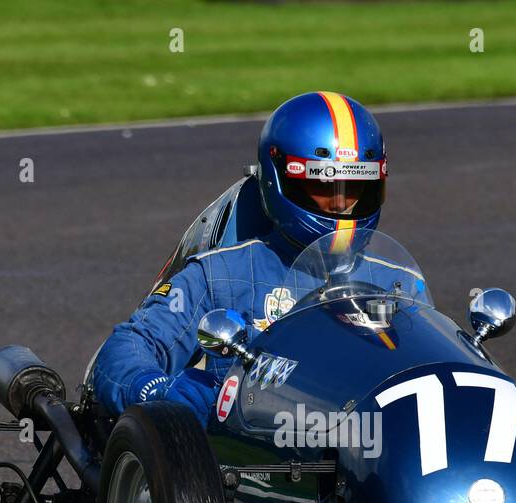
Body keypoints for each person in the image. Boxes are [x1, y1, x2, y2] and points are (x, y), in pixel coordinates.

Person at [88, 90, 398, 425]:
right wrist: (156, 390)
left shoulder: (399, 284)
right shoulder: (220, 275)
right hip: (250, 464)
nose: (341, 204)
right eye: (325, 185)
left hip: (369, 453)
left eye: (354, 187)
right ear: (280, 180)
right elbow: (127, 347)